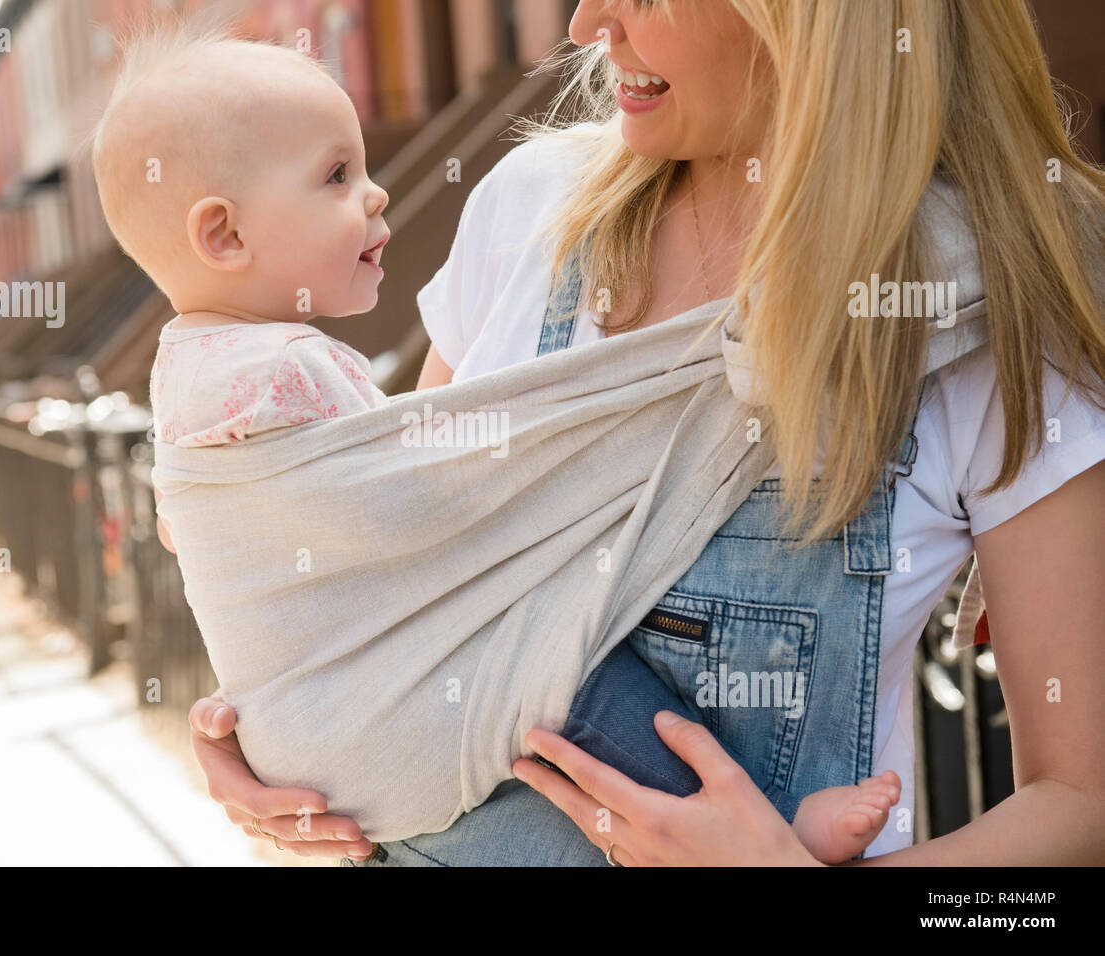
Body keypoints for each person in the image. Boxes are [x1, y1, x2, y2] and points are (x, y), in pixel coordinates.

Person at [189, 0, 1105, 866]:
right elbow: (401, 573)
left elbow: (1083, 804)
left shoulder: (984, 309)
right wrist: (277, 730)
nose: (587, 23)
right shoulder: (526, 215)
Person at [93, 26, 906, 863]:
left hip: (327, 759)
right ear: (224, 236)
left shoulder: (181, 378)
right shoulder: (295, 370)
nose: (374, 196)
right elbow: (424, 511)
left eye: (364, 168)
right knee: (574, 690)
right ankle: (772, 827)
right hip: (397, 729)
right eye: (336, 176)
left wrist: (271, 706)